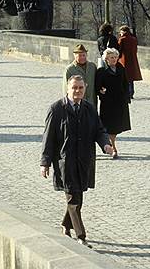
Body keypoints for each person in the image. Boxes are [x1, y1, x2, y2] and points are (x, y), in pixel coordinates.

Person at [40, 75, 113, 249]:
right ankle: (81, 236)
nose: (77, 91)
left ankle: (66, 225)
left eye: (81, 88)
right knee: (73, 198)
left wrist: (105, 144)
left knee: (78, 198)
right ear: (68, 88)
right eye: (74, 88)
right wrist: (45, 162)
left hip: (84, 161)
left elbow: (99, 130)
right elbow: (48, 138)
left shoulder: (89, 108)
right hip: (65, 162)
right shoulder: (56, 109)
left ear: (85, 89)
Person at [96, 48, 130, 159]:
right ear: (106, 59)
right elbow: (97, 87)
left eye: (116, 57)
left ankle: (112, 145)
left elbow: (126, 84)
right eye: (112, 57)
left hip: (120, 102)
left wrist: (127, 97)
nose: (114, 59)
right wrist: (101, 92)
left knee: (116, 127)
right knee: (110, 127)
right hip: (108, 103)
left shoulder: (121, 68)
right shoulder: (102, 71)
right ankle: (113, 147)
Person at [117, 25, 142, 101]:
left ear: (123, 31)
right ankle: (131, 92)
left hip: (124, 61)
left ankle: (127, 93)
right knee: (131, 78)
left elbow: (119, 51)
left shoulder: (122, 39)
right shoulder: (134, 39)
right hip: (133, 60)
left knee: (125, 77)